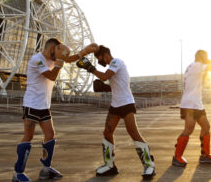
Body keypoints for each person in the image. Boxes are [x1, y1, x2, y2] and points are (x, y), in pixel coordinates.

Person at [12, 39, 96, 182]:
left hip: (44, 105)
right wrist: (58, 65)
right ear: (52, 48)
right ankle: (18, 173)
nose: (59, 57)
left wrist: (85, 51)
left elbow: (69, 59)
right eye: (58, 53)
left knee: (50, 135)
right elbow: (51, 75)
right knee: (28, 136)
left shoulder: (53, 57)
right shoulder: (36, 60)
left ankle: (45, 169)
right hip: (32, 104)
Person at [76, 45, 156, 178]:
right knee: (107, 132)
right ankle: (109, 165)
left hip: (126, 103)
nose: (99, 61)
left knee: (133, 133)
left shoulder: (116, 62)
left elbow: (104, 76)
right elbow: (116, 84)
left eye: (99, 58)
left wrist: (90, 68)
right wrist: (105, 87)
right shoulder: (112, 66)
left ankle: (149, 165)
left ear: (105, 55)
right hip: (116, 105)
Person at [171, 50, 211, 167]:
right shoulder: (196, 65)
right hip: (189, 104)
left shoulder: (196, 67)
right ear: (202, 56)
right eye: (206, 56)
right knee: (189, 129)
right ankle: (177, 157)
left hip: (196, 104)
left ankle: (205, 156)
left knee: (206, 126)